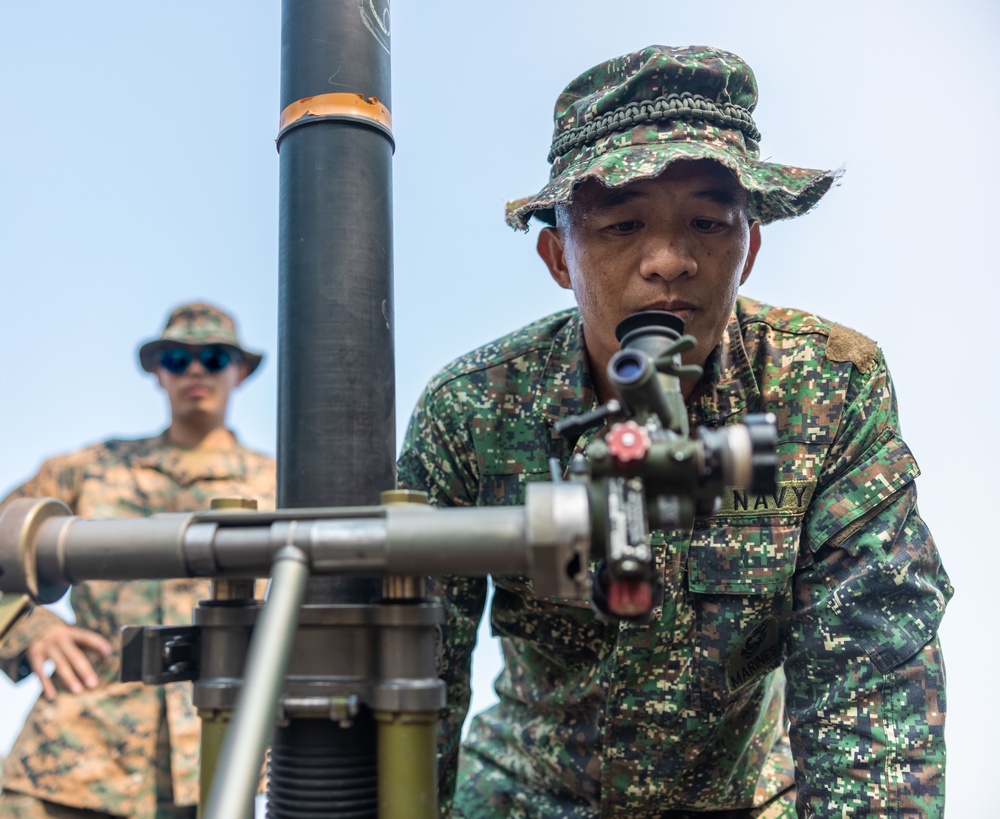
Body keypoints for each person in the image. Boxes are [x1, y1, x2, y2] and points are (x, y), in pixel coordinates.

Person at [397, 46, 952, 818]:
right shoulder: (474, 411)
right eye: (623, 224)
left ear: (749, 247)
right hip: (527, 798)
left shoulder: (825, 394)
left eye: (707, 221)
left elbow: (871, 689)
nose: (669, 261)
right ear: (559, 256)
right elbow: (409, 686)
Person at [0, 302, 275, 819]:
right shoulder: (84, 472)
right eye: (177, 358)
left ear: (239, 371)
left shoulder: (281, 486)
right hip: (74, 761)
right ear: (157, 372)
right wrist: (28, 629)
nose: (195, 371)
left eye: (214, 358)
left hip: (221, 761)